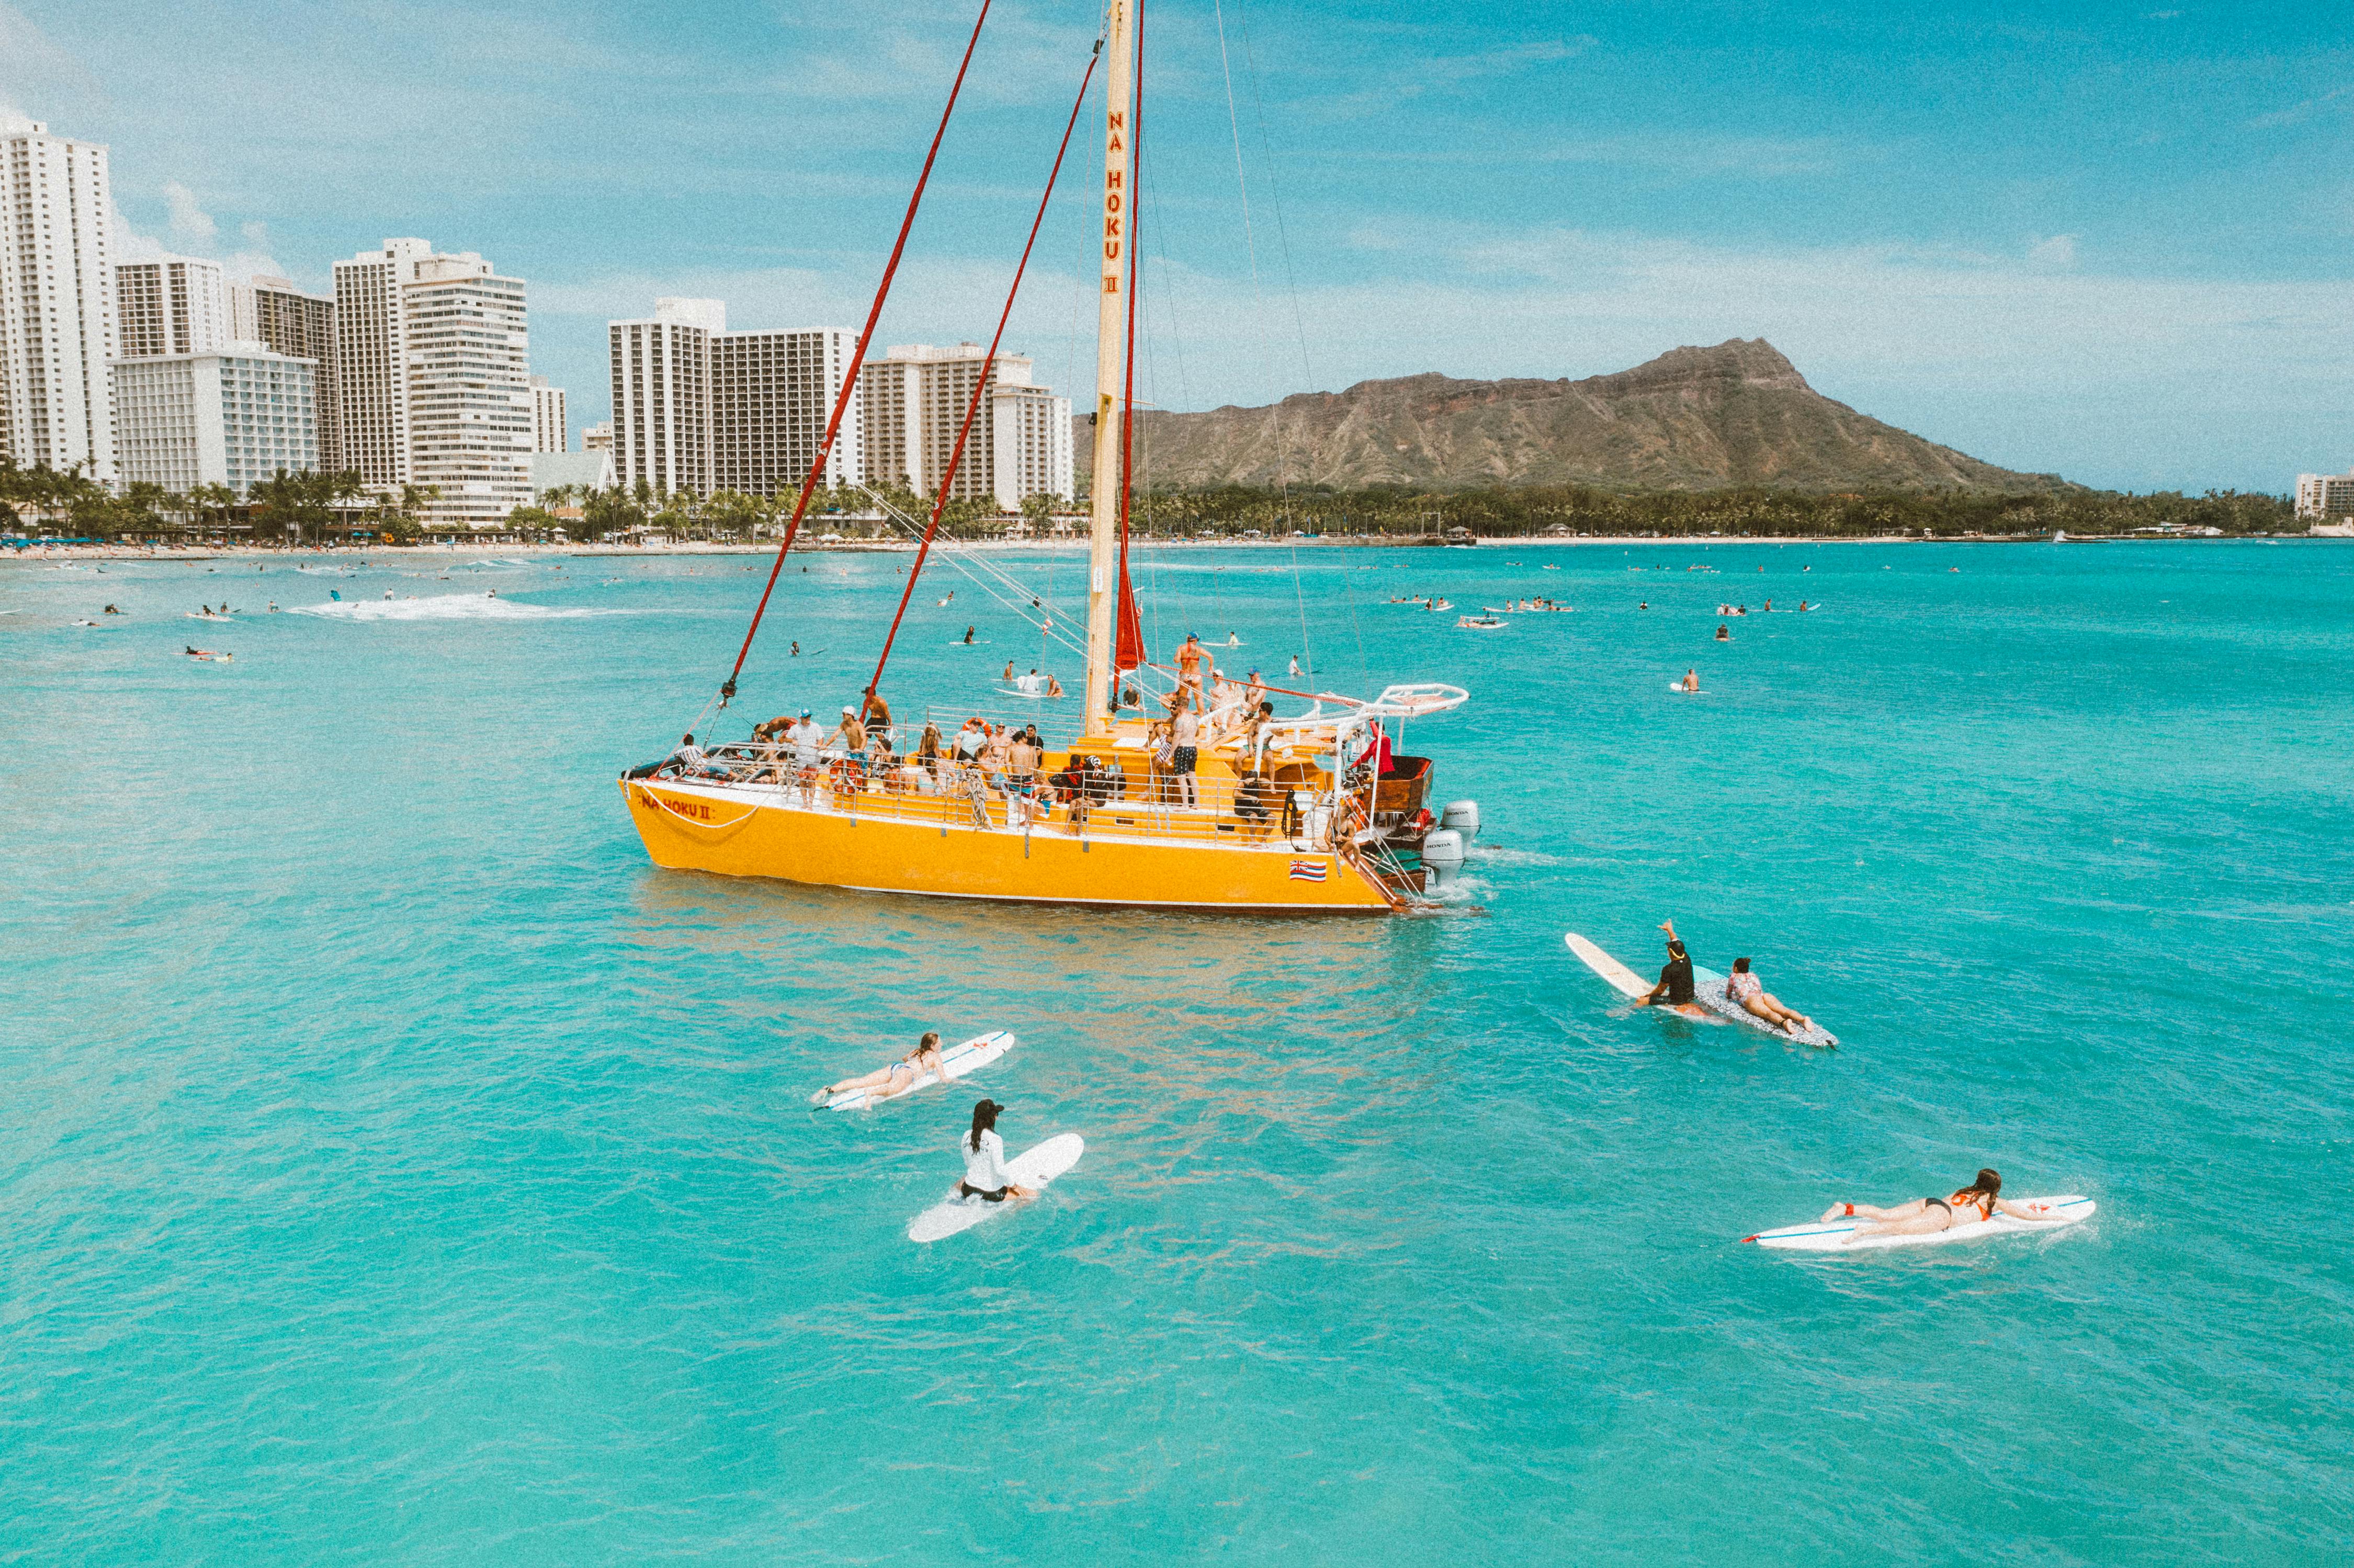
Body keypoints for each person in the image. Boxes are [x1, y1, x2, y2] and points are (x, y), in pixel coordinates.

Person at [1819, 1169, 2073, 1244]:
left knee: (1886, 1213)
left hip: (1933, 1202)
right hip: (1944, 1218)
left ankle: (1844, 1209)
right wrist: (2056, 1219)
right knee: (1897, 1228)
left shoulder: (1964, 1190)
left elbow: (1944, 1204)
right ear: (1995, 1188)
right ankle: (1863, 1233)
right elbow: (2024, 1215)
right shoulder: (1993, 1201)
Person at [812, 1032, 949, 1107]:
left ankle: (829, 1090)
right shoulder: (936, 1056)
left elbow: (905, 1059)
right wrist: (956, 1082)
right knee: (891, 1090)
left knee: (862, 1081)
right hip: (908, 1074)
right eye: (939, 1043)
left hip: (897, 1067)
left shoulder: (917, 1051)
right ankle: (870, 1093)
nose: (942, 1044)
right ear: (932, 1046)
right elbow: (943, 1078)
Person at [959, 1099, 1034, 1202]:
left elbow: (968, 1163)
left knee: (963, 1179)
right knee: (1032, 1195)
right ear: (993, 1118)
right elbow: (1000, 1170)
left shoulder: (967, 1134)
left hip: (967, 1190)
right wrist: (1015, 1186)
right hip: (991, 1194)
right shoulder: (995, 1139)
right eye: (997, 1114)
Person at [1723, 956, 1816, 1037]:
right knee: (1784, 1010)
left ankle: (1784, 1023)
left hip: (1750, 999)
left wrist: (1730, 998)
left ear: (1735, 968)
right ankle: (1803, 1020)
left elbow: (1728, 994)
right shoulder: (1753, 975)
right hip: (1764, 996)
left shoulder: (1733, 976)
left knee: (1768, 1013)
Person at [1636, 919, 1696, 1010]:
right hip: (1690, 997)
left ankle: (1623, 1011)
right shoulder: (1686, 958)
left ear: (1670, 951)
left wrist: (1647, 996)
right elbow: (1676, 941)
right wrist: (1669, 930)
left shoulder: (1669, 969)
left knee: (1640, 1002)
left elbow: (1660, 991)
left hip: (1676, 1001)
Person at [1170, 701, 1200, 809]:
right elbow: (1197, 733)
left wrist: (1171, 753)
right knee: (1192, 777)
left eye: (1176, 706)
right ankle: (1197, 803)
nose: (1175, 708)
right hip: (1193, 748)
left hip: (1183, 748)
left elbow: (1177, 737)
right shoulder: (1194, 719)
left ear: (1181, 706)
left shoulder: (1180, 720)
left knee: (1182, 778)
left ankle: (1185, 804)